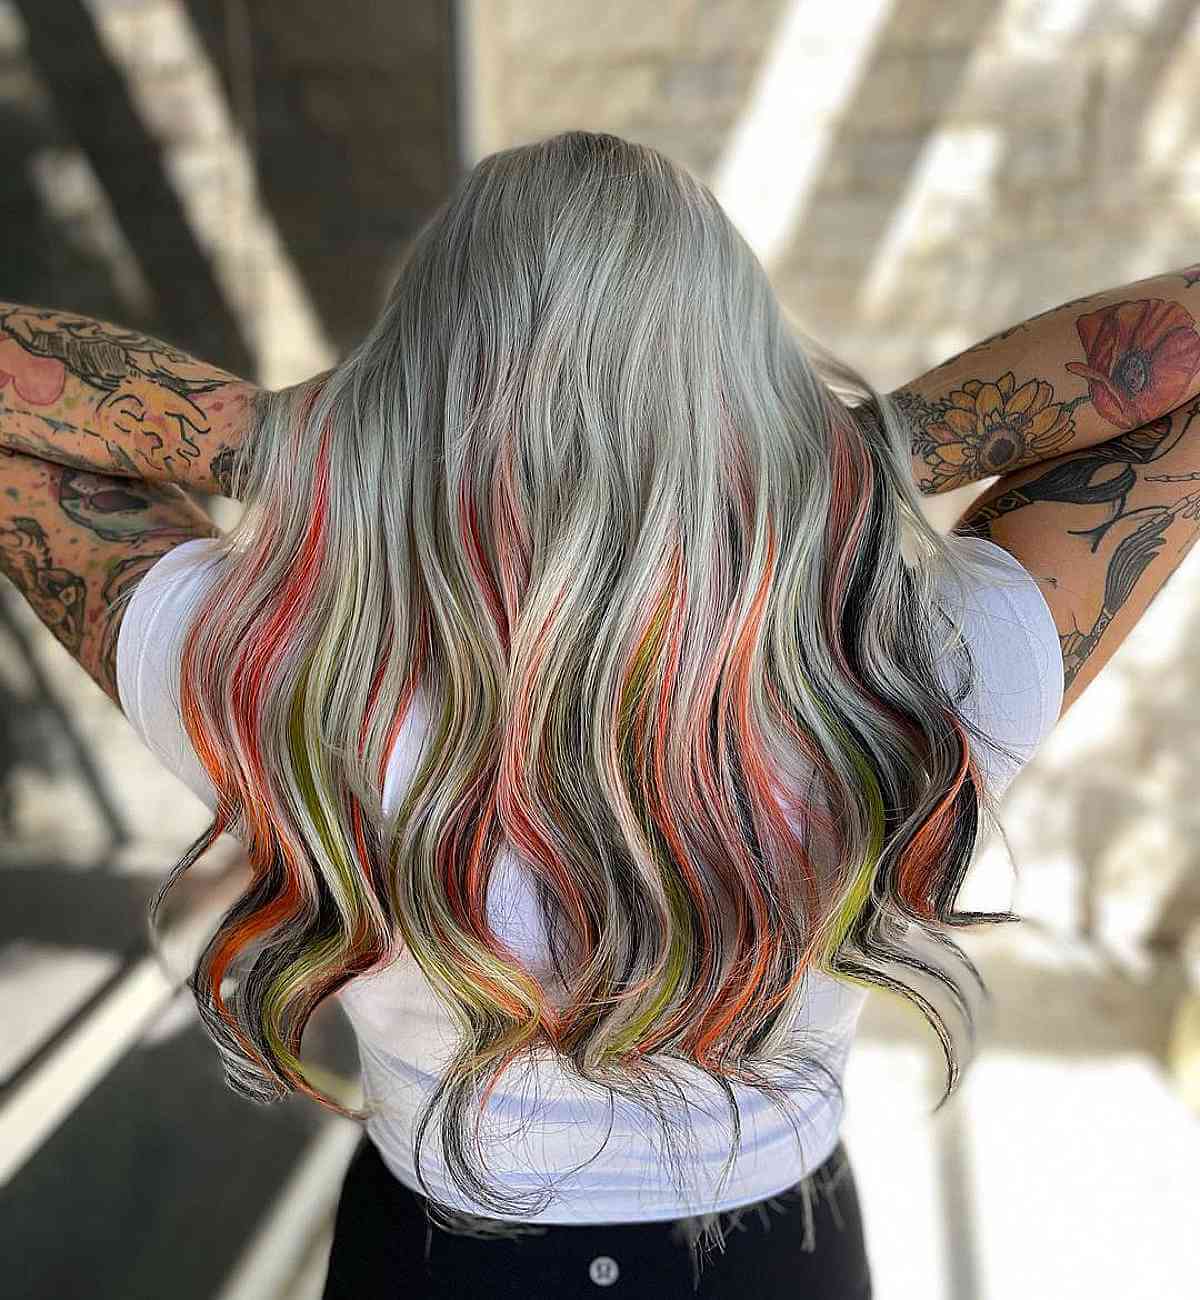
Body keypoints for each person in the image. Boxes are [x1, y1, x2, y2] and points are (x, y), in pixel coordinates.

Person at [1, 129, 1197, 1299]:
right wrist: (874, 448)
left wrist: (290, 441)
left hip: (435, 1261)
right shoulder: (913, 665)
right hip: (772, 1263)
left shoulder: (266, 665)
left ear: (412, 376)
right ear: (742, 371)